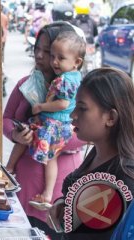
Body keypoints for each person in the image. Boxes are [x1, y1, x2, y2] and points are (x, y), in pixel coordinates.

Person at [3, 22, 85, 240]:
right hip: (24, 184)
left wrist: (51, 139)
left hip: (58, 190)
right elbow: (6, 119)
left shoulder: (79, 90)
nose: (39, 55)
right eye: (37, 49)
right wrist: (15, 134)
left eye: (47, 51)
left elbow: (89, 133)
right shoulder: (26, 84)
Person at [47, 68, 134, 239]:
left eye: (82, 108)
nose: (73, 115)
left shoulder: (124, 176)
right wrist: (60, 204)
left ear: (111, 117)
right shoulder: (98, 152)